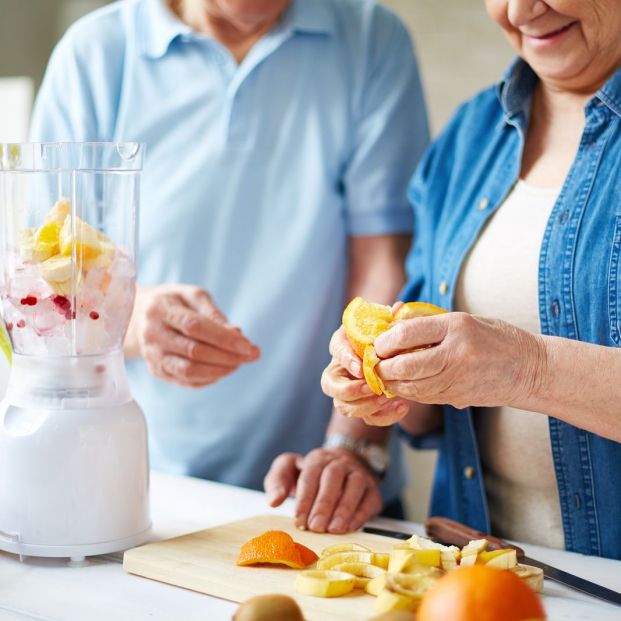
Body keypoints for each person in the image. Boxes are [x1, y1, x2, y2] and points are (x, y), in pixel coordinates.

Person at [30, 0, 430, 532]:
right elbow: (40, 285)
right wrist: (132, 318)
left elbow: (383, 263)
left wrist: (352, 446)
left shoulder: (371, 38)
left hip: (321, 488)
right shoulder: (95, 55)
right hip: (138, 486)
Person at [322, 0, 621, 558]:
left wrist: (528, 369)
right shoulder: (470, 137)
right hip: (474, 574)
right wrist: (386, 382)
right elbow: (440, 409)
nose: (522, 10)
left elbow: (510, 369)